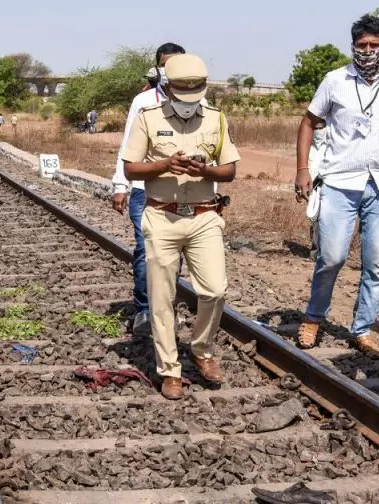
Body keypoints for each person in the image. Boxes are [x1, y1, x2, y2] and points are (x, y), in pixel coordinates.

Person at [122, 54, 239, 400]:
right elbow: (130, 169)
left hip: (204, 216)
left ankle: (201, 350)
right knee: (161, 299)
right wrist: (164, 165)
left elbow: (230, 169)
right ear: (168, 87)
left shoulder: (216, 119)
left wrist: (206, 172)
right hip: (162, 216)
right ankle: (169, 370)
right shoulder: (148, 118)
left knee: (215, 290)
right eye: (181, 89)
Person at [293, 14, 379, 356]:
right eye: (362, 45)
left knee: (377, 261)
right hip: (341, 180)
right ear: (353, 46)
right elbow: (309, 122)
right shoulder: (334, 80)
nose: (369, 51)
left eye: (375, 45)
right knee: (331, 256)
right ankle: (314, 316)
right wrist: (303, 169)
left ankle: (363, 328)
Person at [112, 42, 186, 337]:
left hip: (180, 189)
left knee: (173, 252)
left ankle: (166, 307)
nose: (171, 72)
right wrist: (121, 184)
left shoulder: (196, 101)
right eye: (166, 66)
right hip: (144, 188)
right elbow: (128, 146)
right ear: (157, 69)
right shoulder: (142, 102)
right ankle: (144, 309)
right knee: (146, 248)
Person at [306, 120, 328, 260]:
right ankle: (315, 251)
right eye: (316, 128)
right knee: (314, 220)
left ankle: (325, 252)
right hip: (312, 188)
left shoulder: (331, 146)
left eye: (321, 128)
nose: (318, 131)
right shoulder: (308, 148)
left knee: (325, 220)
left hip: (326, 186)